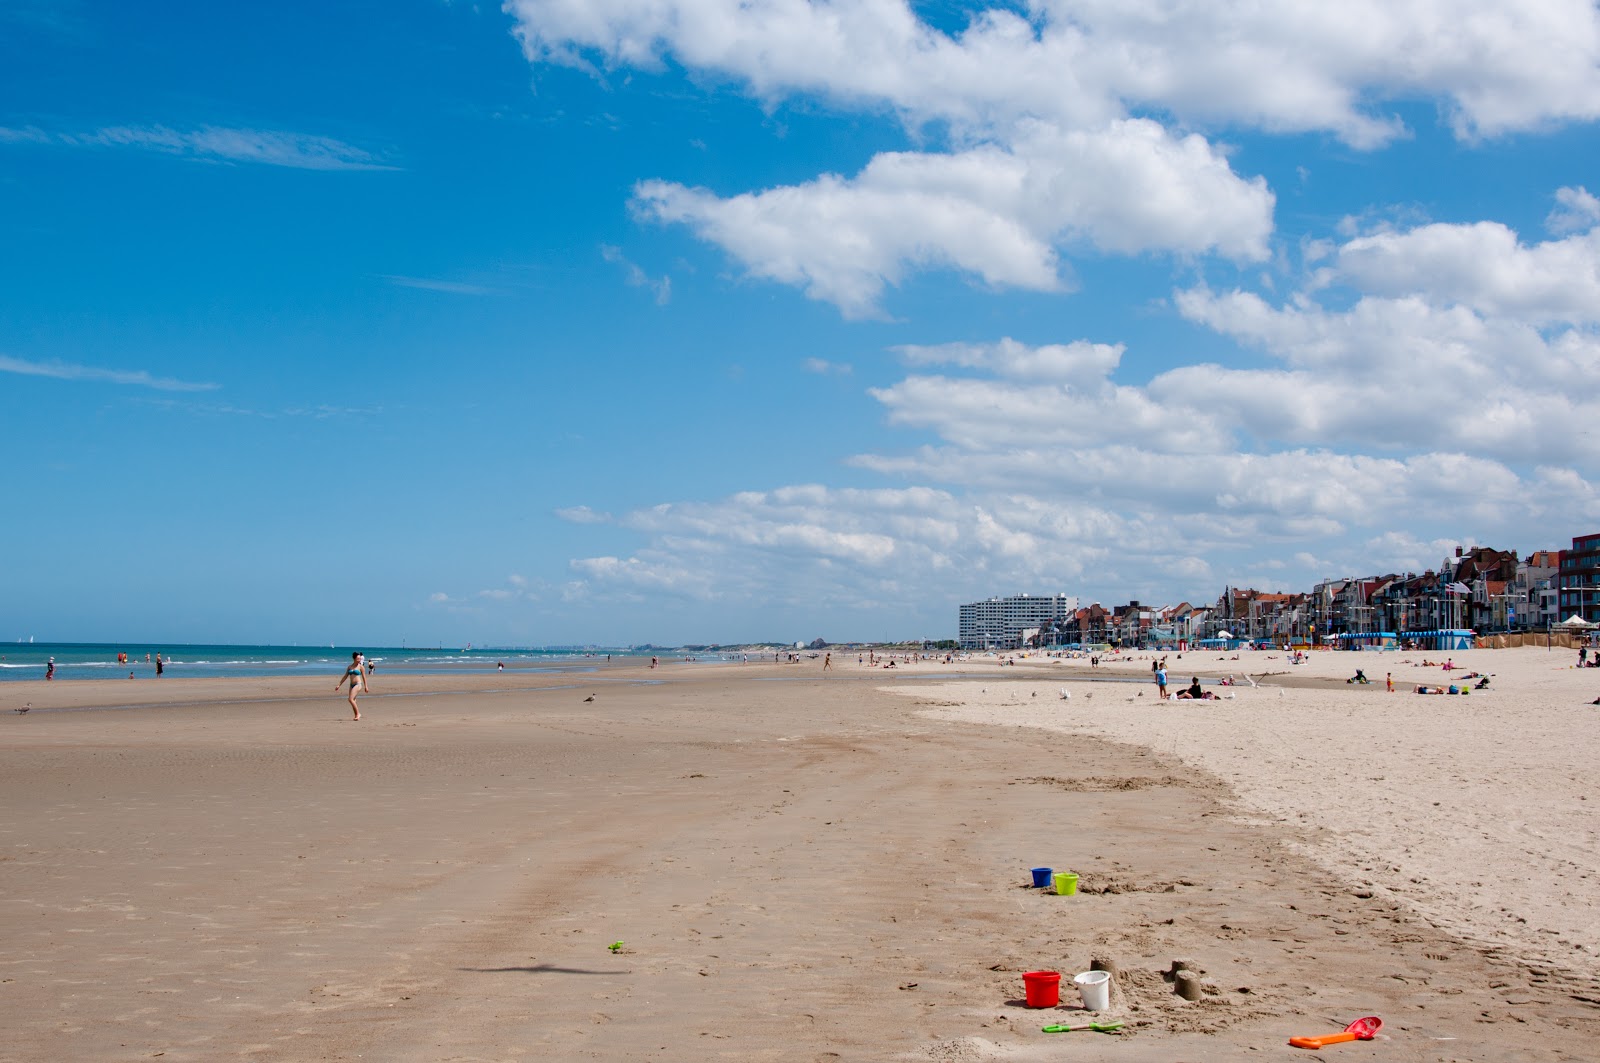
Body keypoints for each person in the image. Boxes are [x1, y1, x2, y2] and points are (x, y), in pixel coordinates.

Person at [336, 651, 367, 720]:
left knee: (350, 699)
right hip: (351, 685)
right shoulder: (350, 667)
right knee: (353, 700)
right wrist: (339, 685)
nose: (359, 660)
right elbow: (345, 676)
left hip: (358, 684)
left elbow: (364, 677)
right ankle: (356, 716)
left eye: (360, 659)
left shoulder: (361, 667)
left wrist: (366, 687)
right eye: (358, 659)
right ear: (354, 658)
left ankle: (358, 714)